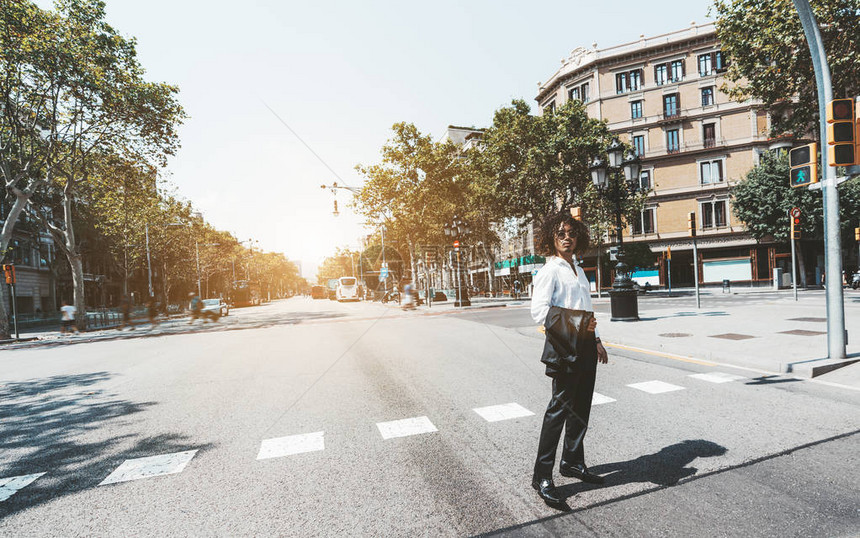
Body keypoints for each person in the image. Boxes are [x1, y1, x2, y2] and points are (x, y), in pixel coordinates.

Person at [529, 209, 609, 507]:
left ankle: (572, 462)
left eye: (572, 233)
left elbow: (584, 306)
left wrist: (597, 340)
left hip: (585, 345)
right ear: (552, 237)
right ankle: (542, 476)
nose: (567, 238)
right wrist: (578, 325)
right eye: (561, 233)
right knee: (559, 410)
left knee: (580, 407)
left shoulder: (577, 266)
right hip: (564, 348)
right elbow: (539, 311)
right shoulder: (549, 270)